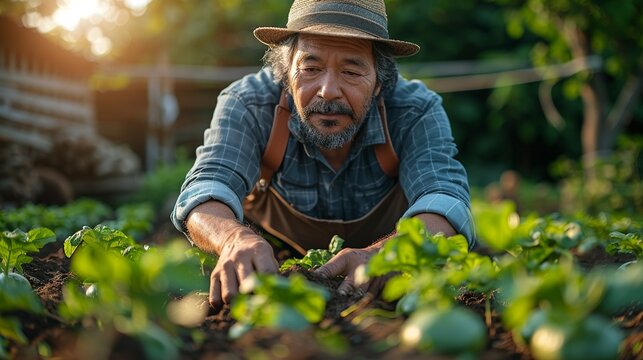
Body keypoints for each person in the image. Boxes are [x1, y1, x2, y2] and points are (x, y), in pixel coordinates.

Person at [171, 0, 475, 310]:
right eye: (311, 68)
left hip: (380, 281)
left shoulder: (414, 110)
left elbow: (444, 197)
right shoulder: (249, 103)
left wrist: (386, 253)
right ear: (286, 75)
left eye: (351, 71)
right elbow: (206, 188)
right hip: (278, 273)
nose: (328, 90)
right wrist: (233, 238)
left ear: (380, 84)